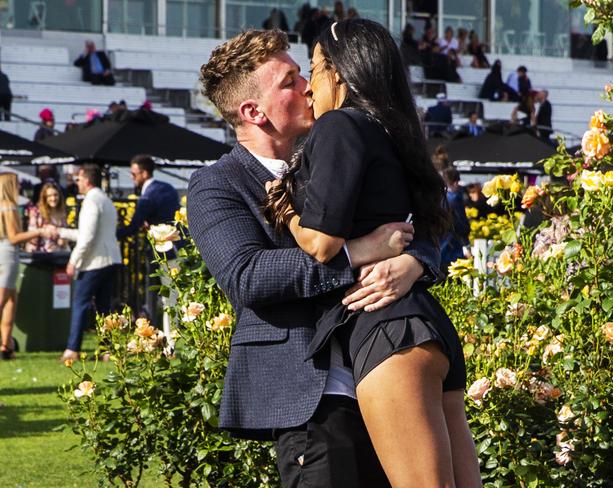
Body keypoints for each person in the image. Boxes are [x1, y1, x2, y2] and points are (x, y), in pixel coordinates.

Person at [192, 29, 441, 487]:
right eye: (289, 81)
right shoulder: (216, 185)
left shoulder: (341, 143)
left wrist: (416, 262)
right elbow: (247, 277)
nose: (309, 85)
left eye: (305, 73)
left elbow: (416, 222)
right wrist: (354, 253)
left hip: (385, 371)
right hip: (313, 396)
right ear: (253, 112)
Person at [265, 20, 481, 487]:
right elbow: (430, 218)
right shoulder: (391, 130)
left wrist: (289, 213)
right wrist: (416, 259)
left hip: (385, 329)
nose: (308, 89)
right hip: (425, 324)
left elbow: (322, 244)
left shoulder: (341, 124)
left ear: (339, 74)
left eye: (315, 70)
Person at [58, 165, 121, 362]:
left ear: (87, 180)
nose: (76, 182)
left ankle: (72, 349)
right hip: (112, 259)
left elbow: (87, 238)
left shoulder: (91, 201)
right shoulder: (105, 199)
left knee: (80, 303)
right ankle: (107, 349)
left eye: (78, 179)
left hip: (95, 262)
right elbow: (91, 234)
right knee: (104, 307)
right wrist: (60, 232)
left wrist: (73, 261)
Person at [117, 154, 180, 336]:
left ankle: (169, 341)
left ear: (144, 173)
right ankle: (165, 336)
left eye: (133, 173)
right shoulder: (167, 188)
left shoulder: (148, 195)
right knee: (171, 297)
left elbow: (133, 226)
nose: (131, 177)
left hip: (163, 252)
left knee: (168, 299)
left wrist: (112, 235)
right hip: (176, 247)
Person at [0, 173, 58, 359]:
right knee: (2, 300)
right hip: (8, 254)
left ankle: (6, 345)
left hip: (6, 253)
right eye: (16, 184)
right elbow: (14, 237)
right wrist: (40, 231)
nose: (19, 187)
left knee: (11, 301)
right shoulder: (8, 207)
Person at [25, 182, 69, 253]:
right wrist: (45, 231)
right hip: (40, 254)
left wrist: (63, 240)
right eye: (49, 196)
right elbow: (31, 236)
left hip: (59, 254)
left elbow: (65, 234)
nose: (53, 198)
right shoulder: (37, 212)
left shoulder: (62, 212)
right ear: (44, 198)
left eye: (55, 195)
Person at [440, 168, 470, 270]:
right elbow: (462, 224)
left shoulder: (439, 197)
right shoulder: (455, 198)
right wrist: (467, 244)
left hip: (440, 245)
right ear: (455, 182)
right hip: (452, 245)